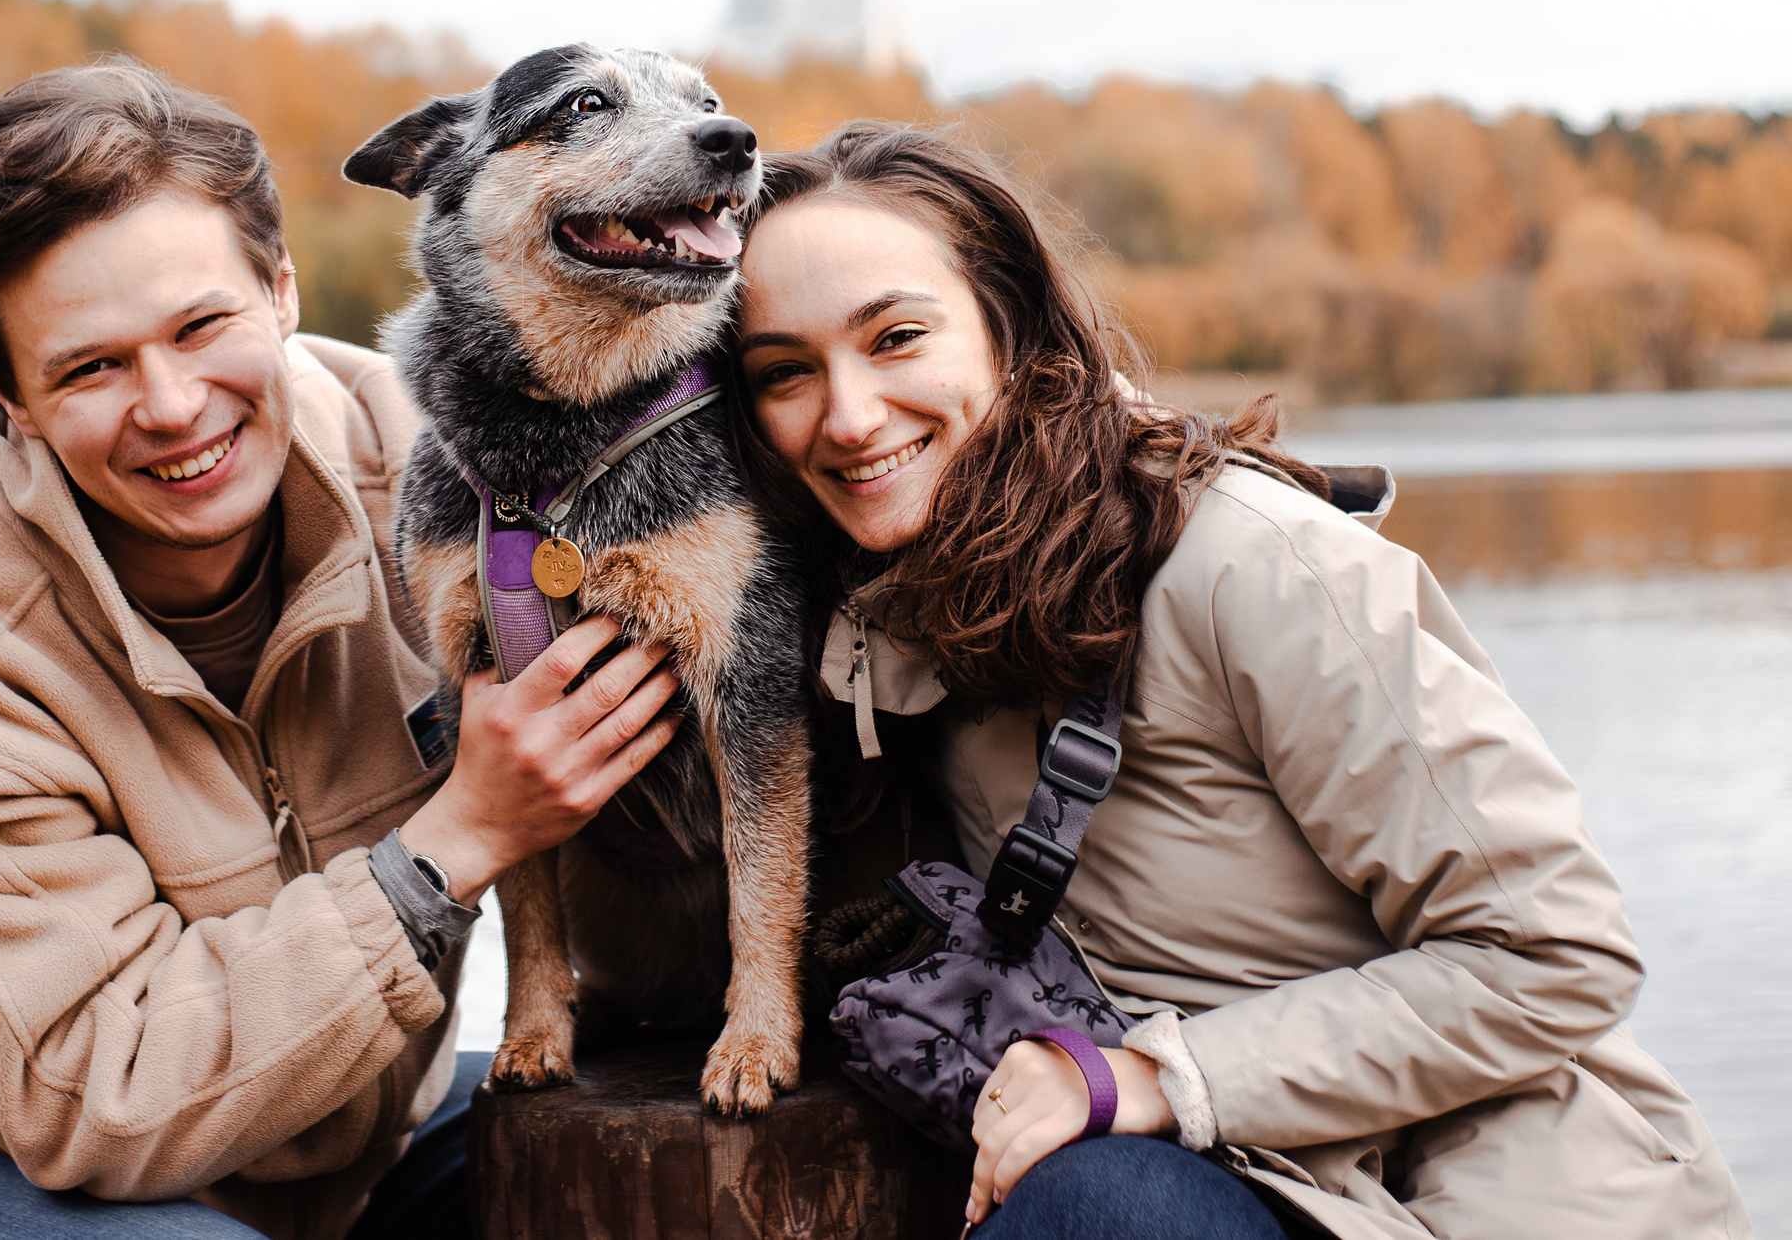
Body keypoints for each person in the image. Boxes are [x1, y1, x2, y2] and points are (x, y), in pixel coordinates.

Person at [0, 60, 683, 1240]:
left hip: (332, 1144)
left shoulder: (444, 473)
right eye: (91, 367)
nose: (169, 404)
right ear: (12, 398)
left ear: (282, 291)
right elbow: (97, 1101)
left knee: (670, 1149)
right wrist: (460, 834)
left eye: (201, 325)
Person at [730, 121, 1750, 1240]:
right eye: (785, 372)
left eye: (896, 336)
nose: (848, 415)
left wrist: (1144, 1080)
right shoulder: (875, 627)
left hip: (1487, 1200)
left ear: (1010, 331)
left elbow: (1554, 954)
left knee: (1094, 1209)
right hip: (1245, 1183)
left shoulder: (1253, 561)